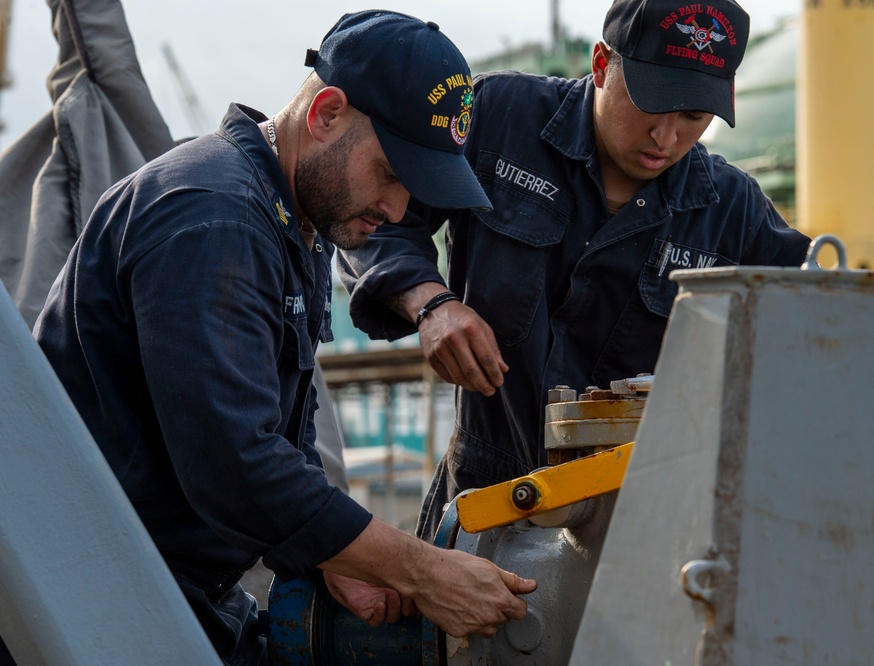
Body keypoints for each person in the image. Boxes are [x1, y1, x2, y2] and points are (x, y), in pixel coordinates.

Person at [32, 10, 536, 665]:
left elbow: (278, 440)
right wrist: (421, 570)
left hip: (169, 584)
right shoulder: (214, 217)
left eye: (416, 193)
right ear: (326, 112)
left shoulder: (294, 218)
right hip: (94, 594)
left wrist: (329, 556)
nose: (397, 212)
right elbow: (235, 461)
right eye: (390, 174)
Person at [336, 0, 813, 541]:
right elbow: (375, 218)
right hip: (481, 506)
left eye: (693, 117)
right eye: (652, 105)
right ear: (602, 65)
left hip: (635, 530)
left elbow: (817, 327)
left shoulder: (732, 212)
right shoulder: (499, 119)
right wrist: (430, 303)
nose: (666, 137)